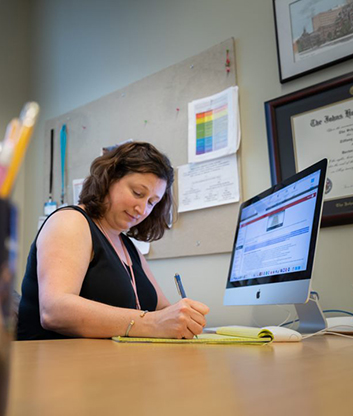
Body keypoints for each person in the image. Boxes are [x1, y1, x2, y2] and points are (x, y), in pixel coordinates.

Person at [17, 141, 209, 340]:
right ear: (109, 179)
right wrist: (152, 323)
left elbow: (162, 310)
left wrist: (183, 320)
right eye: (137, 193)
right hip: (54, 363)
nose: (143, 210)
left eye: (152, 202)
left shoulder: (128, 246)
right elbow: (55, 311)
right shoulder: (71, 221)